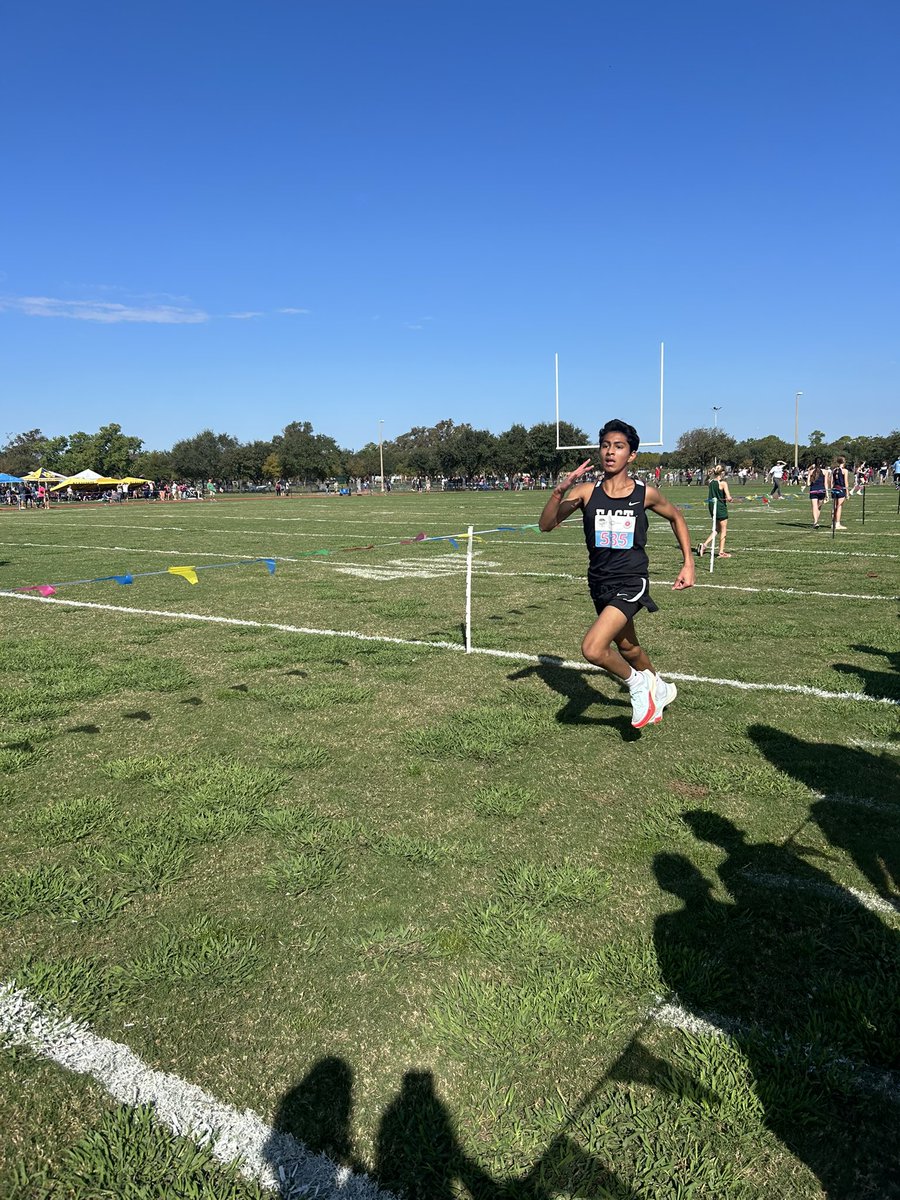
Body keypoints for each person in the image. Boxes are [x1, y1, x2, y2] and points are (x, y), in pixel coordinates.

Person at [539, 418, 694, 729]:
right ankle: (660, 689)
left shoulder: (645, 493)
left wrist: (688, 563)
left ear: (632, 455)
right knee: (628, 647)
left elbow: (676, 517)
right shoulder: (586, 492)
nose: (610, 452)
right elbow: (546, 525)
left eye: (619, 447)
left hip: (631, 580)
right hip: (599, 582)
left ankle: (638, 685)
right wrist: (558, 493)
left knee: (593, 648)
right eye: (606, 446)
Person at [696, 465, 732, 557]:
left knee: (717, 529)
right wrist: (729, 498)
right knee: (723, 529)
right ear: (722, 472)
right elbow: (728, 497)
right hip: (720, 507)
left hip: (712, 507)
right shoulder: (723, 483)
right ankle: (721, 552)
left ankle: (704, 545)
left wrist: (708, 476)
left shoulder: (711, 482)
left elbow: (706, 482)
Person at [807, 460, 827, 528]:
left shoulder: (811, 472)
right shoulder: (825, 472)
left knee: (814, 507)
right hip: (822, 491)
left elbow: (808, 484)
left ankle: (815, 522)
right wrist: (827, 494)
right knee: (819, 507)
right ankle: (816, 522)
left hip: (813, 490)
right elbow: (826, 484)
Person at [831, 455, 849, 528]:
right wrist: (847, 492)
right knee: (839, 506)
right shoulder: (845, 471)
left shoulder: (834, 470)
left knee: (834, 507)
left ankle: (833, 522)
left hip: (834, 489)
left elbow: (832, 482)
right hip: (841, 489)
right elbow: (846, 482)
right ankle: (837, 523)